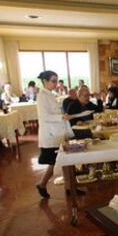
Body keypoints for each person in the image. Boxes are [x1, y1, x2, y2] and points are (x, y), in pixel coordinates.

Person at [35, 70, 74, 198]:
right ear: (45, 81)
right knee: (55, 162)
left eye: (56, 81)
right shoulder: (42, 96)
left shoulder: (50, 94)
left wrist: (62, 116)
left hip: (56, 132)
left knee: (63, 160)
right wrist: (61, 116)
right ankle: (42, 184)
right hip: (50, 134)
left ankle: (70, 187)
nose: (56, 84)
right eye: (53, 81)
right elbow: (44, 116)